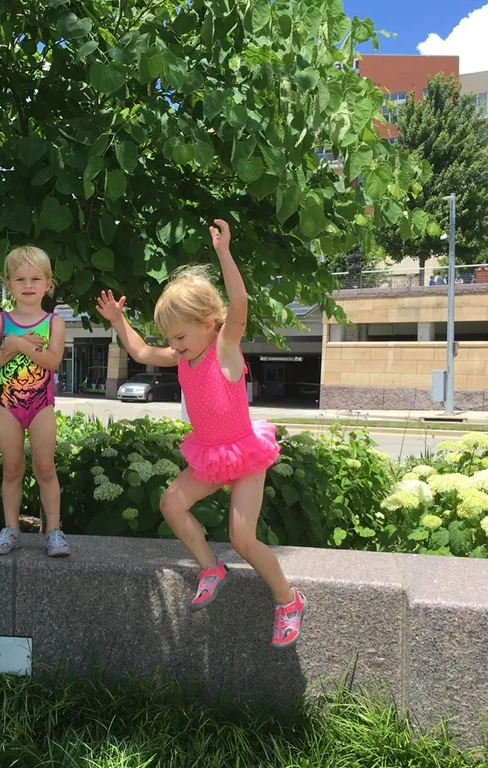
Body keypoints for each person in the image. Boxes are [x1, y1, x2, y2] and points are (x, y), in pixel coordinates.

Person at [95, 219, 306, 647]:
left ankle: (288, 600)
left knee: (242, 538)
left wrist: (224, 253)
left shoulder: (224, 347)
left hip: (244, 454)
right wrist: (118, 320)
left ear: (210, 322)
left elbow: (240, 304)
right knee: (172, 502)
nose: (174, 345)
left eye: (180, 335)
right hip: (210, 454)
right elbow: (138, 350)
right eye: (170, 338)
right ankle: (212, 568)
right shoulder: (182, 357)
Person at [0, 245, 70, 558]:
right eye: (20, 279)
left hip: (41, 405)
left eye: (35, 279)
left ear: (48, 284)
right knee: (12, 469)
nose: (28, 285)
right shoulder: (0, 322)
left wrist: (18, 344)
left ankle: (55, 531)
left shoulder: (53, 322)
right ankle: (11, 530)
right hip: (9, 405)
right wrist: (13, 346)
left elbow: (53, 361)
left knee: (45, 468)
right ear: (9, 285)